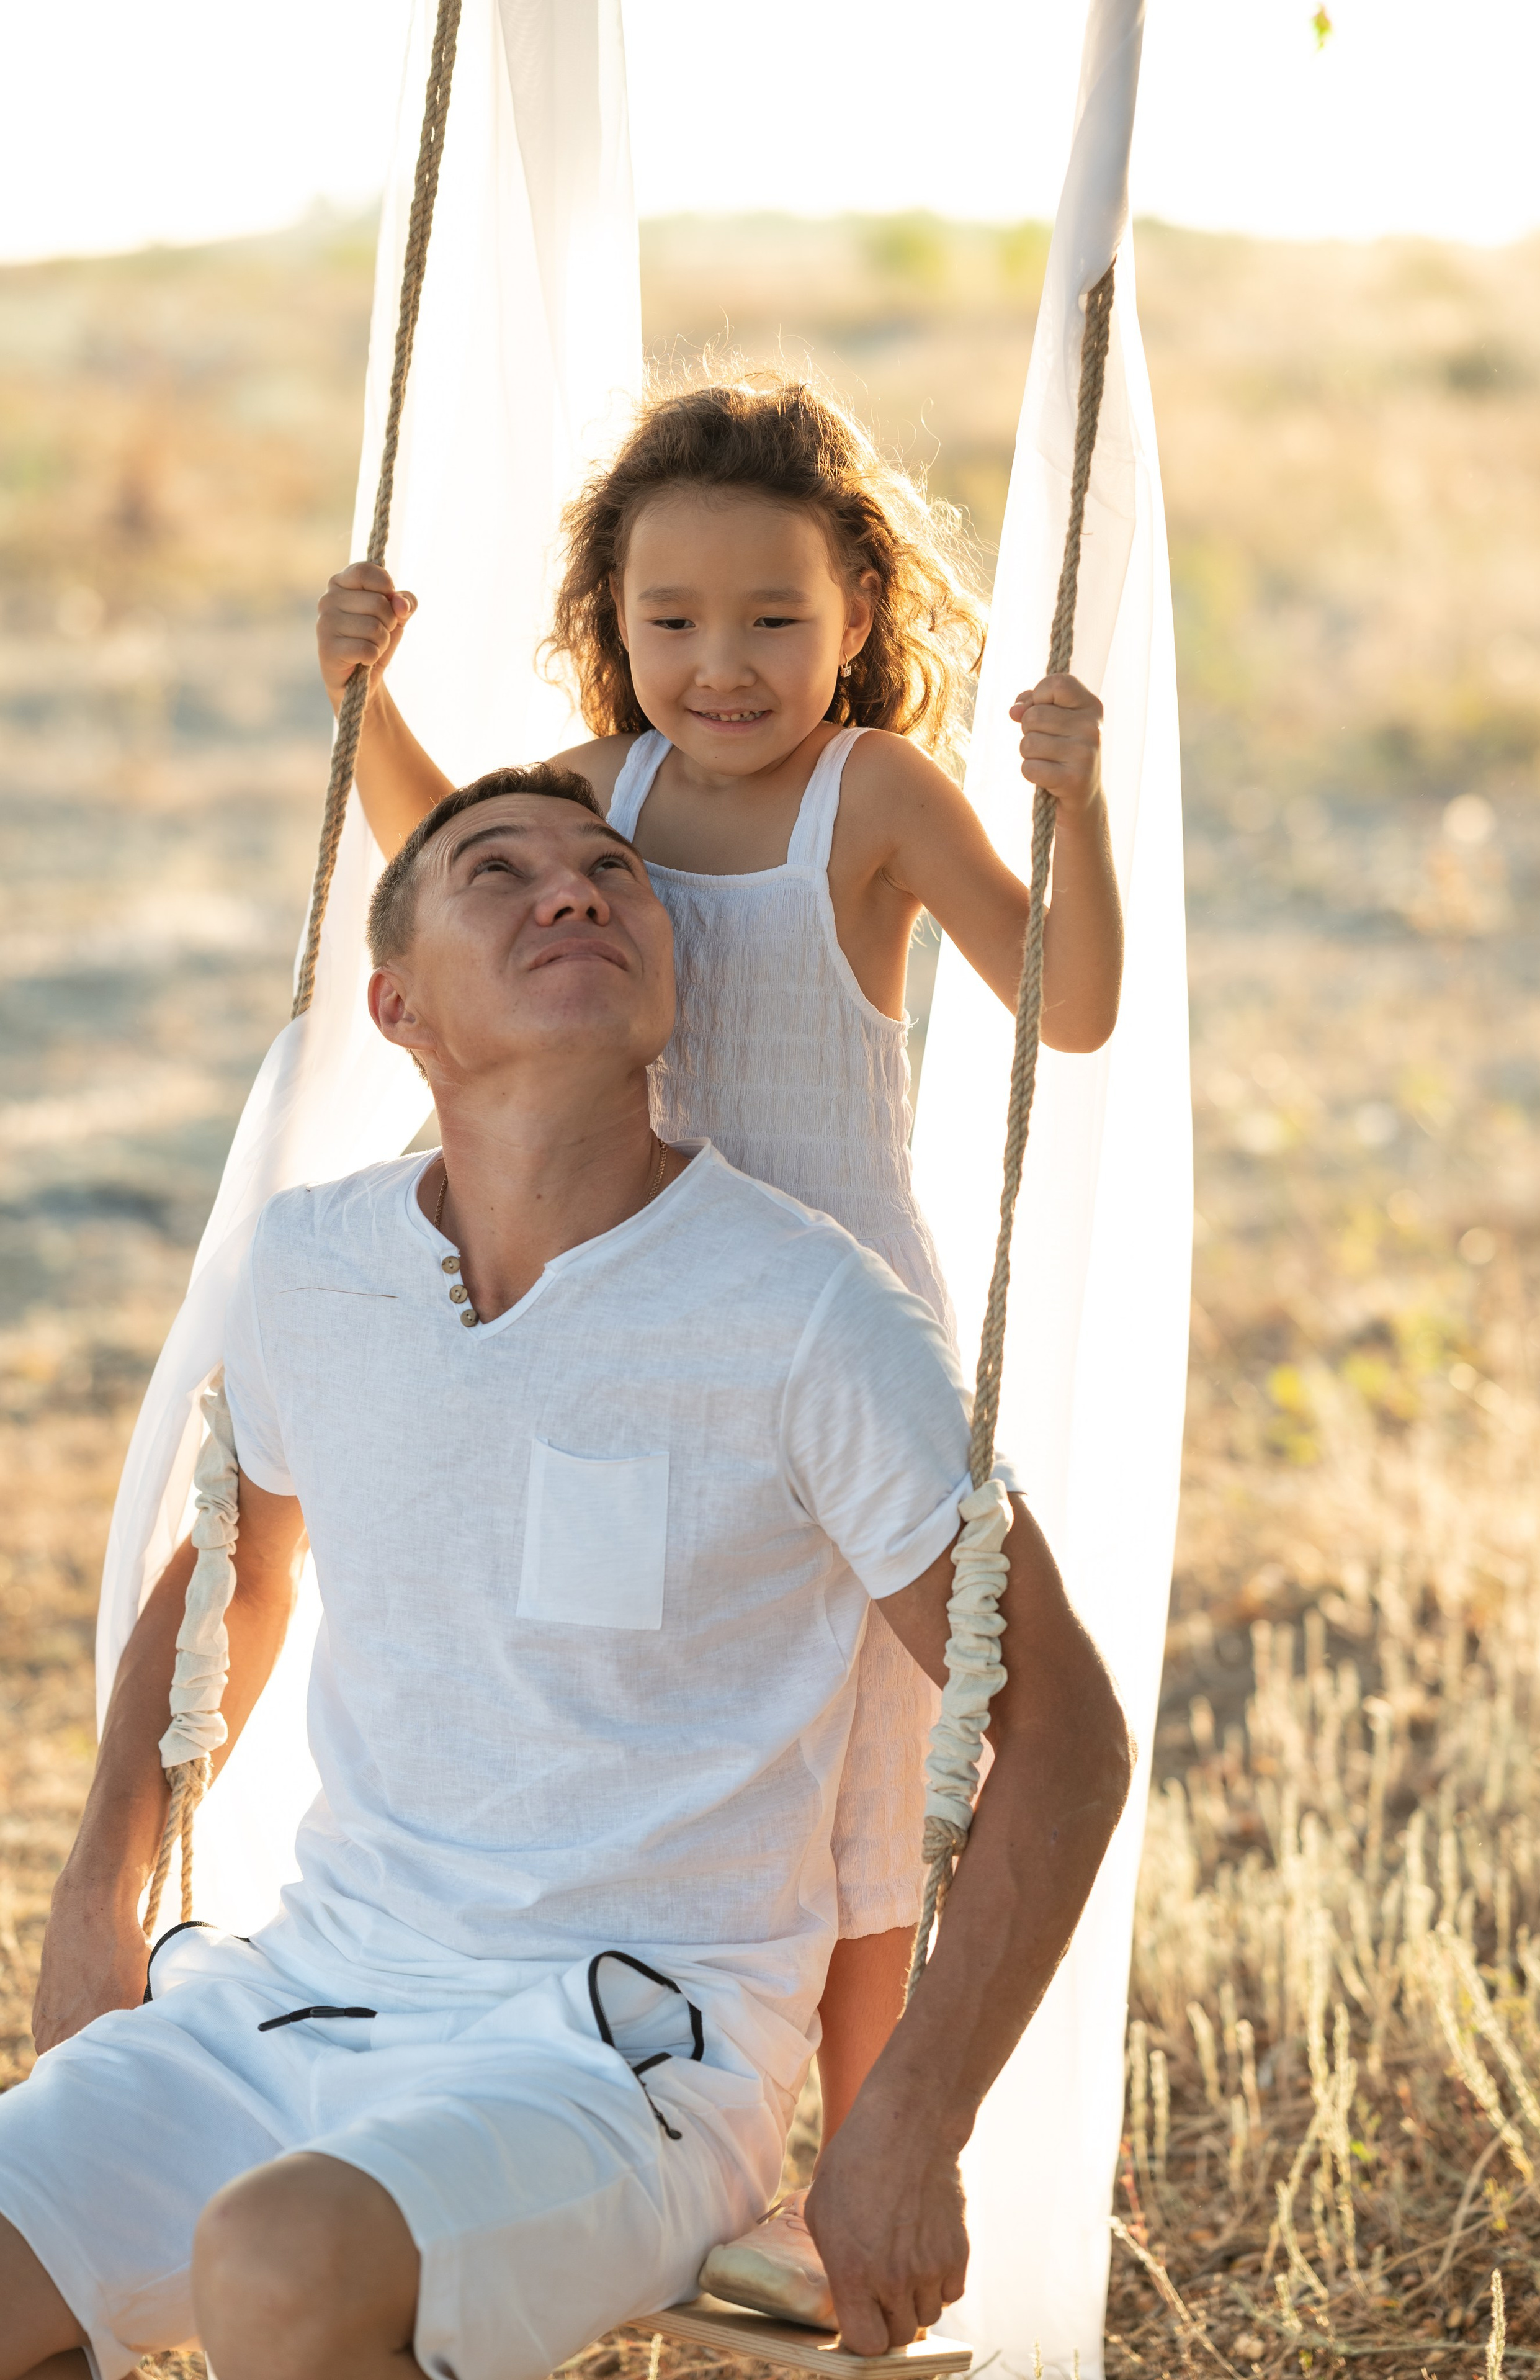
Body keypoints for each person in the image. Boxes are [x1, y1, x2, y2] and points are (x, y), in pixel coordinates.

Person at [0, 767, 1132, 2380]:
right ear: (398, 1006)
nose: (578, 888)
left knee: (277, 2259)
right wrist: (93, 1890)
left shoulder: (808, 1310)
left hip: (628, 2047)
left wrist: (909, 2119)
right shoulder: (312, 1264)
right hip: (306, 1992)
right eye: (499, 871)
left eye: (614, 867)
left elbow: (1067, 1733)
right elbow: (229, 1574)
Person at [313, 376, 1127, 2144]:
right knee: (679, 1729)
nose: (723, 662)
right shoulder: (612, 784)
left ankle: (855, 2152)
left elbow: (1072, 1008)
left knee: (865, 1776)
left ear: (856, 613)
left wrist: (1081, 812)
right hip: (641, 1321)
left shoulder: (878, 792)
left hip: (839, 1336)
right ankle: (643, 2094)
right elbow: (447, 870)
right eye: (671, 619)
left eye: (774, 618)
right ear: (612, 623)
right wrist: (364, 705)